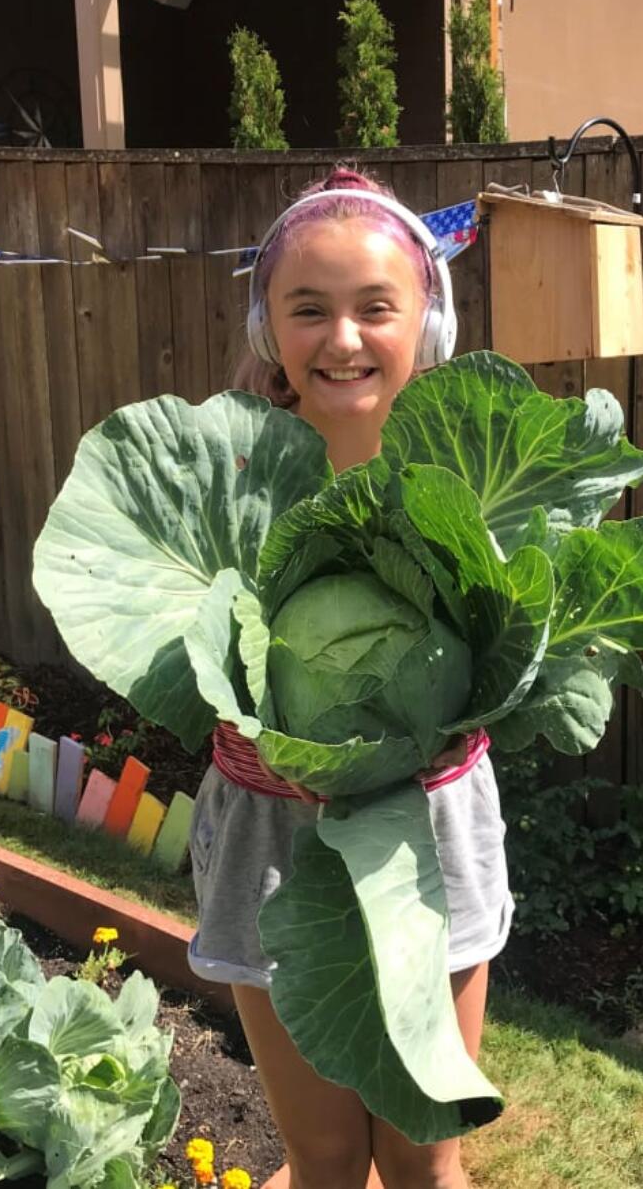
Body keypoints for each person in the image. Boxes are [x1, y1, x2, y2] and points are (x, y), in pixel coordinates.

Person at [186, 165, 514, 1189]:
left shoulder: (478, 475)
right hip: (273, 836)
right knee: (322, 1157)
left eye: (376, 307)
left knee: (422, 1152)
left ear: (430, 322)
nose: (341, 339)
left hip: (428, 835)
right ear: (265, 328)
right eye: (307, 308)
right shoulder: (226, 481)